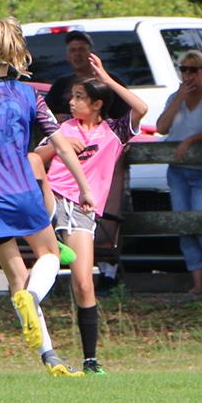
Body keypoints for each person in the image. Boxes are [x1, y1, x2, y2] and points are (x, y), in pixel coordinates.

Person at [0, 18, 97, 376]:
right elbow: (60, 144)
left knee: (16, 276)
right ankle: (35, 299)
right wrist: (84, 186)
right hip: (22, 190)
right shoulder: (29, 95)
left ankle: (49, 355)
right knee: (50, 254)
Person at [35, 63, 148, 374]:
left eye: (79, 97)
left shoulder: (113, 132)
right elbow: (34, 159)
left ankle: (90, 361)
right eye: (71, 97)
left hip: (82, 210)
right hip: (56, 198)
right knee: (34, 169)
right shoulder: (62, 129)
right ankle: (50, 234)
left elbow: (141, 108)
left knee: (84, 283)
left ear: (97, 104)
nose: (71, 102)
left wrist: (107, 79)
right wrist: (57, 145)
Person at [156, 48, 202, 297]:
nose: (189, 74)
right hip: (178, 172)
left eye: (194, 70)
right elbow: (161, 127)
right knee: (185, 226)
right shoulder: (174, 98)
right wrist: (179, 97)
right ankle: (197, 283)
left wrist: (190, 140)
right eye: (184, 69)